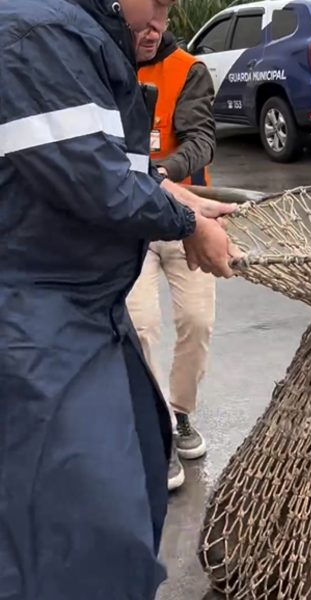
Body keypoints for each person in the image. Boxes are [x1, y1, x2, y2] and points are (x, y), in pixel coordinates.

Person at [0, 0, 236, 598]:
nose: (162, 11)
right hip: (40, 318)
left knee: (132, 478)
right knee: (81, 529)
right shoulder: (39, 31)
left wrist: (176, 198)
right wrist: (184, 224)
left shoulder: (85, 33)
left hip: (84, 311)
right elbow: (93, 181)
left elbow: (108, 163)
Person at [128, 23, 217, 491]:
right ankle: (157, 429)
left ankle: (180, 412)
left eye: (163, 11)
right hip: (131, 222)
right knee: (140, 328)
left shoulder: (188, 70)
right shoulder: (105, 62)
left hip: (187, 216)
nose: (152, 26)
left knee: (197, 321)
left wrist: (162, 171)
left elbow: (201, 139)